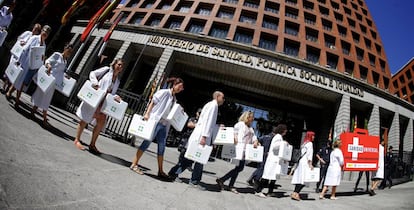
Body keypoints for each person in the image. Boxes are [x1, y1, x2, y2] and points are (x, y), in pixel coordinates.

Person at [129, 77, 184, 178]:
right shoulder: (164, 92)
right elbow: (153, 101)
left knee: (162, 147)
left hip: (163, 124)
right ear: (174, 85)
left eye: (181, 88)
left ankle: (160, 170)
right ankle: (134, 164)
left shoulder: (174, 99)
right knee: (147, 142)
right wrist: (147, 114)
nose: (180, 89)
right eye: (179, 87)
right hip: (156, 121)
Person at [73, 58, 124, 153]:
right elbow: (92, 73)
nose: (120, 67)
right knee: (85, 119)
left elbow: (112, 93)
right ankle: (77, 140)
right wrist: (95, 83)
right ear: (114, 64)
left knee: (101, 122)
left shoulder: (117, 81)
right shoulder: (106, 70)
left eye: (122, 66)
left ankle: (92, 144)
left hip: (103, 103)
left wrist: (116, 97)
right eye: (119, 64)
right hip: (95, 98)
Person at [6, 25, 51, 108]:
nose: (45, 33)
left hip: (32, 67)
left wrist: (42, 59)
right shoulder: (34, 38)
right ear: (41, 31)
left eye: (47, 33)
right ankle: (16, 99)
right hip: (25, 63)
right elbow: (24, 49)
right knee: (20, 81)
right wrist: (19, 61)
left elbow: (41, 58)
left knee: (22, 82)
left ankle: (10, 92)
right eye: (44, 31)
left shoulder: (44, 45)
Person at [188, 91, 225, 189]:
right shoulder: (214, 106)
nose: (224, 100)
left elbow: (208, 122)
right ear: (217, 97)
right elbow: (208, 122)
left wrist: (217, 126)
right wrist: (204, 137)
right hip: (203, 136)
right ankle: (194, 180)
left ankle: (178, 173)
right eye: (223, 97)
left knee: (196, 158)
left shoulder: (210, 104)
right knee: (199, 159)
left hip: (202, 134)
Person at [30, 44, 73, 127]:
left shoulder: (65, 61)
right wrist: (49, 66)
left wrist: (65, 75)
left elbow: (60, 71)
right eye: (69, 50)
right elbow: (48, 61)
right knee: (40, 94)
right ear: (65, 48)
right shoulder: (57, 55)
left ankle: (34, 112)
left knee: (46, 99)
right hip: (49, 78)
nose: (69, 53)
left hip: (54, 82)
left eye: (71, 52)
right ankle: (43, 118)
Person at [216, 111, 258, 194]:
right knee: (239, 168)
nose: (253, 119)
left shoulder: (251, 128)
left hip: (246, 150)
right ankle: (222, 180)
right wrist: (235, 138)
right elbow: (234, 132)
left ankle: (230, 185)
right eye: (252, 117)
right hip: (239, 149)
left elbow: (254, 137)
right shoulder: (240, 124)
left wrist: (256, 141)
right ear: (247, 117)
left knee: (238, 168)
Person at [2, 23, 41, 93]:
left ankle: (8, 88)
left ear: (38, 32)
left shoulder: (36, 40)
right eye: (34, 28)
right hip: (17, 53)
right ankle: (4, 85)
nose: (34, 30)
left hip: (23, 58)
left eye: (36, 30)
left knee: (16, 73)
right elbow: (19, 38)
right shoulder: (27, 33)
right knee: (11, 69)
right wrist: (22, 41)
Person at [255, 124, 289, 198]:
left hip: (275, 160)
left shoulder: (279, 137)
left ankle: (270, 191)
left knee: (273, 177)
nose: (286, 131)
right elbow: (275, 146)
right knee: (267, 176)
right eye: (285, 129)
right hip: (272, 160)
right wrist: (283, 143)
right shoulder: (278, 137)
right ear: (282, 130)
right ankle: (258, 190)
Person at [168, 108, 201, 182]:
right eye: (199, 113)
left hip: (193, 144)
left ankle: (174, 173)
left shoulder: (201, 122)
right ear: (197, 113)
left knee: (188, 161)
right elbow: (189, 124)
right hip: (186, 142)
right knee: (182, 160)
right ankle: (173, 173)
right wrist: (198, 125)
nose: (200, 114)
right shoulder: (193, 119)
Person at [291, 131, 315, 201]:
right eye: (313, 136)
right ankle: (296, 193)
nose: (314, 137)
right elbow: (309, 155)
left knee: (300, 178)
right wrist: (310, 164)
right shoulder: (310, 143)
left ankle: (295, 193)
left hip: (301, 161)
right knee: (304, 179)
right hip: (305, 163)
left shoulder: (304, 143)